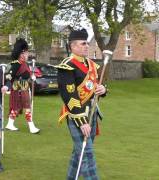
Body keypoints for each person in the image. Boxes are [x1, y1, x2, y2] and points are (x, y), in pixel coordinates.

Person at [55, 29, 107, 179]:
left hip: (92, 113)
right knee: (87, 153)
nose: (87, 46)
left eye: (87, 43)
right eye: (83, 44)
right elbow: (69, 96)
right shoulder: (67, 66)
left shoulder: (92, 65)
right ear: (73, 46)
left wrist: (103, 89)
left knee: (79, 152)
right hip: (77, 116)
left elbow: (94, 88)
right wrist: (82, 121)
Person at [5, 38, 40, 134]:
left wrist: (31, 76)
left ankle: (10, 124)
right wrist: (8, 86)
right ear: (21, 54)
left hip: (23, 87)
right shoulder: (16, 64)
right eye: (26, 53)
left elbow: (26, 75)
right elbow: (9, 76)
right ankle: (31, 126)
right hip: (19, 88)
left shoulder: (24, 63)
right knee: (27, 107)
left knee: (17, 107)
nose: (28, 54)